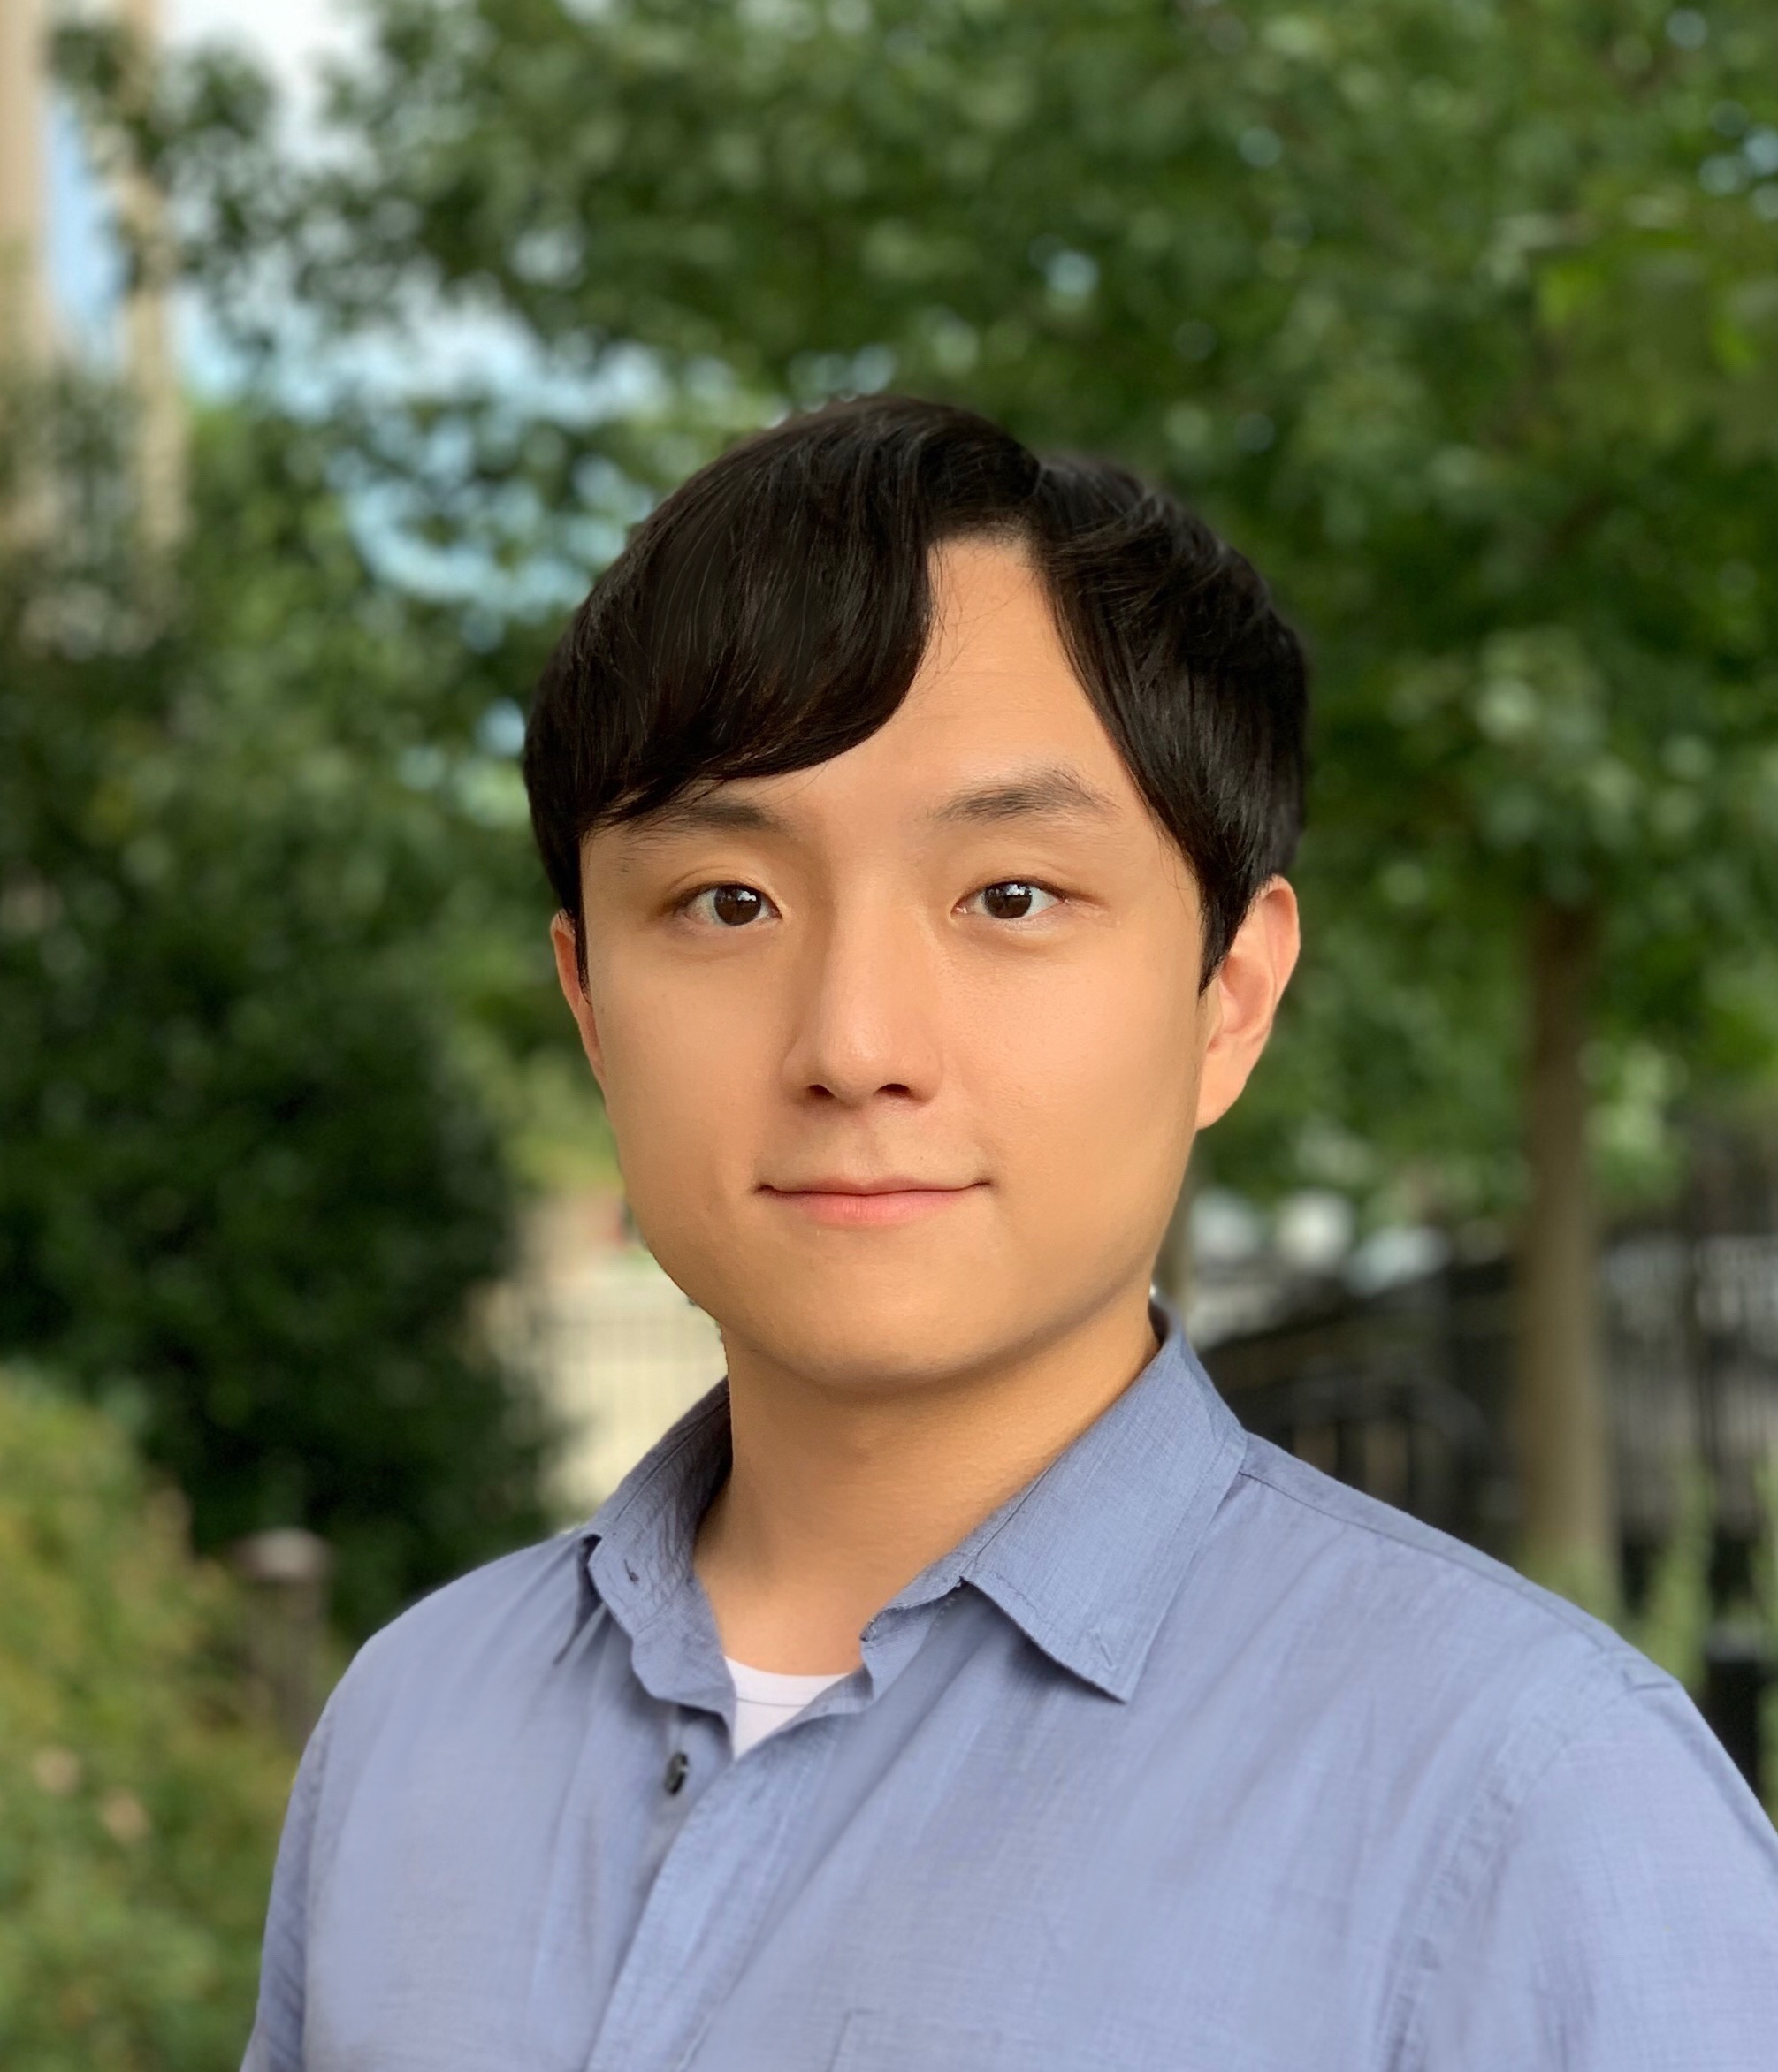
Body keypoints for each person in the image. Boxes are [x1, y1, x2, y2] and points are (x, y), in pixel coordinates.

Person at [243, 397, 1778, 2072]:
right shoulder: (413, 1728)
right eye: (727, 903)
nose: (853, 1045)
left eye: (1010, 897)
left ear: (1231, 997)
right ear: (590, 1002)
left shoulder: (1536, 1812)